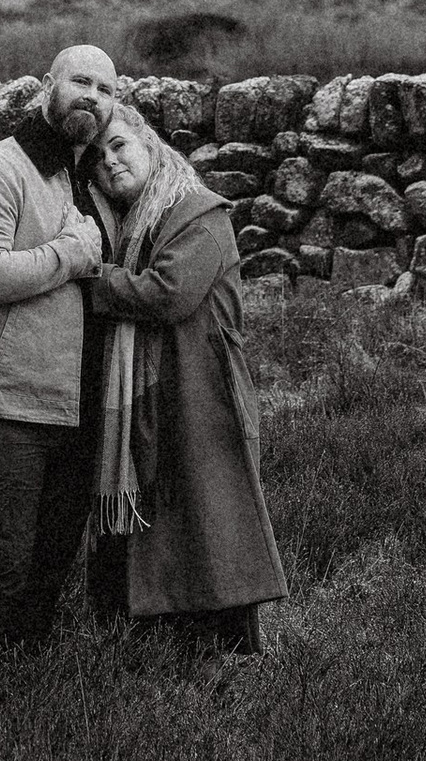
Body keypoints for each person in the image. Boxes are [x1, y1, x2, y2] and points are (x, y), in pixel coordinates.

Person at [84, 92, 287, 654]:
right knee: (167, 509)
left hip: (205, 392)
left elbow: (169, 293)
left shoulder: (200, 214)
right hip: (163, 388)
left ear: (148, 143)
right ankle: (156, 644)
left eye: (118, 145)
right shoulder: (130, 226)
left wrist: (90, 279)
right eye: (97, 158)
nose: (110, 162)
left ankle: (228, 651)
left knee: (211, 513)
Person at [0, 42, 119, 650]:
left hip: (76, 408)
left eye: (106, 90)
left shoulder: (90, 182)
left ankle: (15, 696)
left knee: (47, 572)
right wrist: (71, 254)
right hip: (4, 403)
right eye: (81, 82)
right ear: (47, 87)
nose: (92, 97)